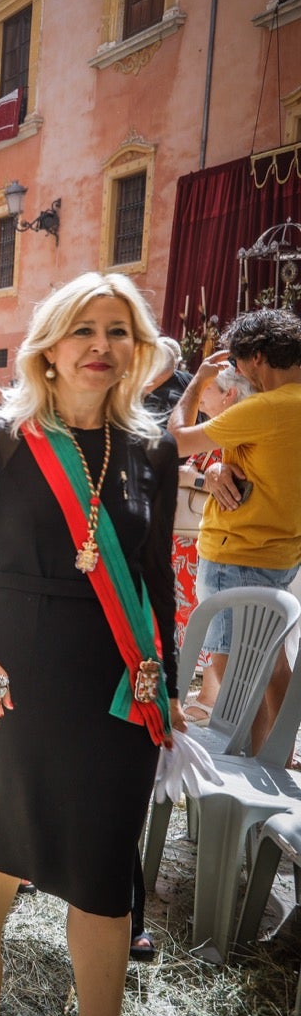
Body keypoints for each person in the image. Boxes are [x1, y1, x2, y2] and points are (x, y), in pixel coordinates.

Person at [0, 272, 183, 1016]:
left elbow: (155, 578)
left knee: (106, 865)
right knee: (4, 829)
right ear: (50, 348)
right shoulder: (1, 441)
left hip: (116, 688)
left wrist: (163, 686)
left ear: (138, 350)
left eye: (118, 333)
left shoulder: (154, 448)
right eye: (85, 330)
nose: (101, 347)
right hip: (13, 675)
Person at [169, 308, 301, 753]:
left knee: (232, 669)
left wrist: (196, 379)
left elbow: (176, 440)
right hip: (282, 555)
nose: (241, 377)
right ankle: (274, 757)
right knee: (273, 665)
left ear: (258, 357)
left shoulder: (267, 407)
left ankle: (247, 760)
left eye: (240, 366)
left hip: (235, 553)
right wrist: (224, 464)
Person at [170, 365, 251, 722]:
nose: (200, 393)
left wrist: (196, 478)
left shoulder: (235, 432)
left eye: (208, 388)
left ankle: (211, 695)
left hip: (213, 538)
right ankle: (207, 689)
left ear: (230, 394)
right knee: (195, 613)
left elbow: (233, 487)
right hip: (194, 538)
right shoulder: (214, 431)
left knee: (211, 615)